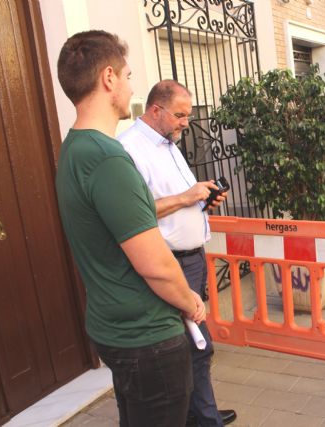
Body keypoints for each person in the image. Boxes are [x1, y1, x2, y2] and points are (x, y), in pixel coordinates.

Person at [55, 31, 205, 427]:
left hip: (114, 327)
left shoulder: (73, 147)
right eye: (127, 75)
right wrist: (190, 301)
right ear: (108, 79)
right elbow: (154, 263)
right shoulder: (107, 158)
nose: (130, 86)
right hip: (147, 338)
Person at [118, 80, 236, 426]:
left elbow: (176, 199)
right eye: (181, 115)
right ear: (156, 111)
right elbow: (134, 212)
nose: (188, 122)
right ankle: (203, 418)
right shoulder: (129, 149)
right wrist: (188, 197)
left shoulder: (167, 143)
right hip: (170, 265)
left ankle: (200, 412)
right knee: (195, 346)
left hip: (192, 260)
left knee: (193, 345)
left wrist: (202, 199)